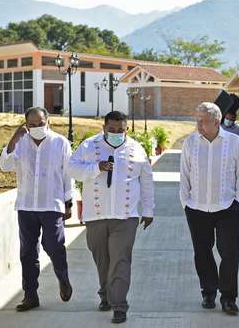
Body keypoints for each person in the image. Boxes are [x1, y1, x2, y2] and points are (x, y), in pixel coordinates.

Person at [68, 111, 154, 324]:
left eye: (121, 130)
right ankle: (106, 293)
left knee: (120, 259)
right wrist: (95, 168)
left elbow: (146, 181)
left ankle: (119, 305)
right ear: (104, 127)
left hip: (125, 217)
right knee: (102, 259)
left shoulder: (136, 149)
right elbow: (71, 168)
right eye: (112, 130)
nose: (116, 133)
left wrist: (148, 210)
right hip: (95, 215)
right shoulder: (89, 146)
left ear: (127, 129)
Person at [0, 107, 73, 312]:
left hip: (52, 204)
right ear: (26, 125)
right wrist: (13, 140)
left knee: (54, 245)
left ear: (48, 121)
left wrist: (69, 202)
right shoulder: (20, 143)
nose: (37, 128)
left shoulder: (60, 143)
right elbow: (5, 166)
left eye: (40, 124)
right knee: (28, 253)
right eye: (32, 125)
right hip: (26, 206)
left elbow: (68, 174)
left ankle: (63, 277)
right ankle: (30, 296)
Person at [180, 102, 239, 315]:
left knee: (229, 254)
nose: (199, 125)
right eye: (197, 120)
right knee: (202, 253)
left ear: (217, 122)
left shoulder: (235, 142)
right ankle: (208, 291)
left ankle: (228, 297)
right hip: (197, 208)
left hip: (227, 207)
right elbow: (184, 174)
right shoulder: (190, 143)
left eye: (203, 121)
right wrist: (186, 203)